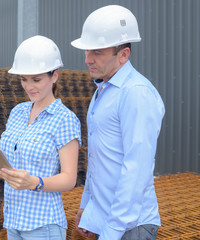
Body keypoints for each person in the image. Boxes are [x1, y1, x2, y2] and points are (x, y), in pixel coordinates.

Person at [71, 5, 165, 240]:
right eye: (87, 51)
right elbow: (99, 161)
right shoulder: (103, 89)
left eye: (97, 53)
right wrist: (88, 208)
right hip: (107, 221)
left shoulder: (135, 93)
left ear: (123, 55)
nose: (88, 59)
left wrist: (112, 230)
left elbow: (137, 168)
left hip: (130, 227)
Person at [0, 35, 81, 240]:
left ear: (54, 76)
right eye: (24, 79)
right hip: (14, 219)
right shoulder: (18, 111)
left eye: (36, 79)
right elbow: (1, 149)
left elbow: (69, 179)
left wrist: (33, 182)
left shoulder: (65, 119)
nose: (29, 86)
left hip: (43, 226)